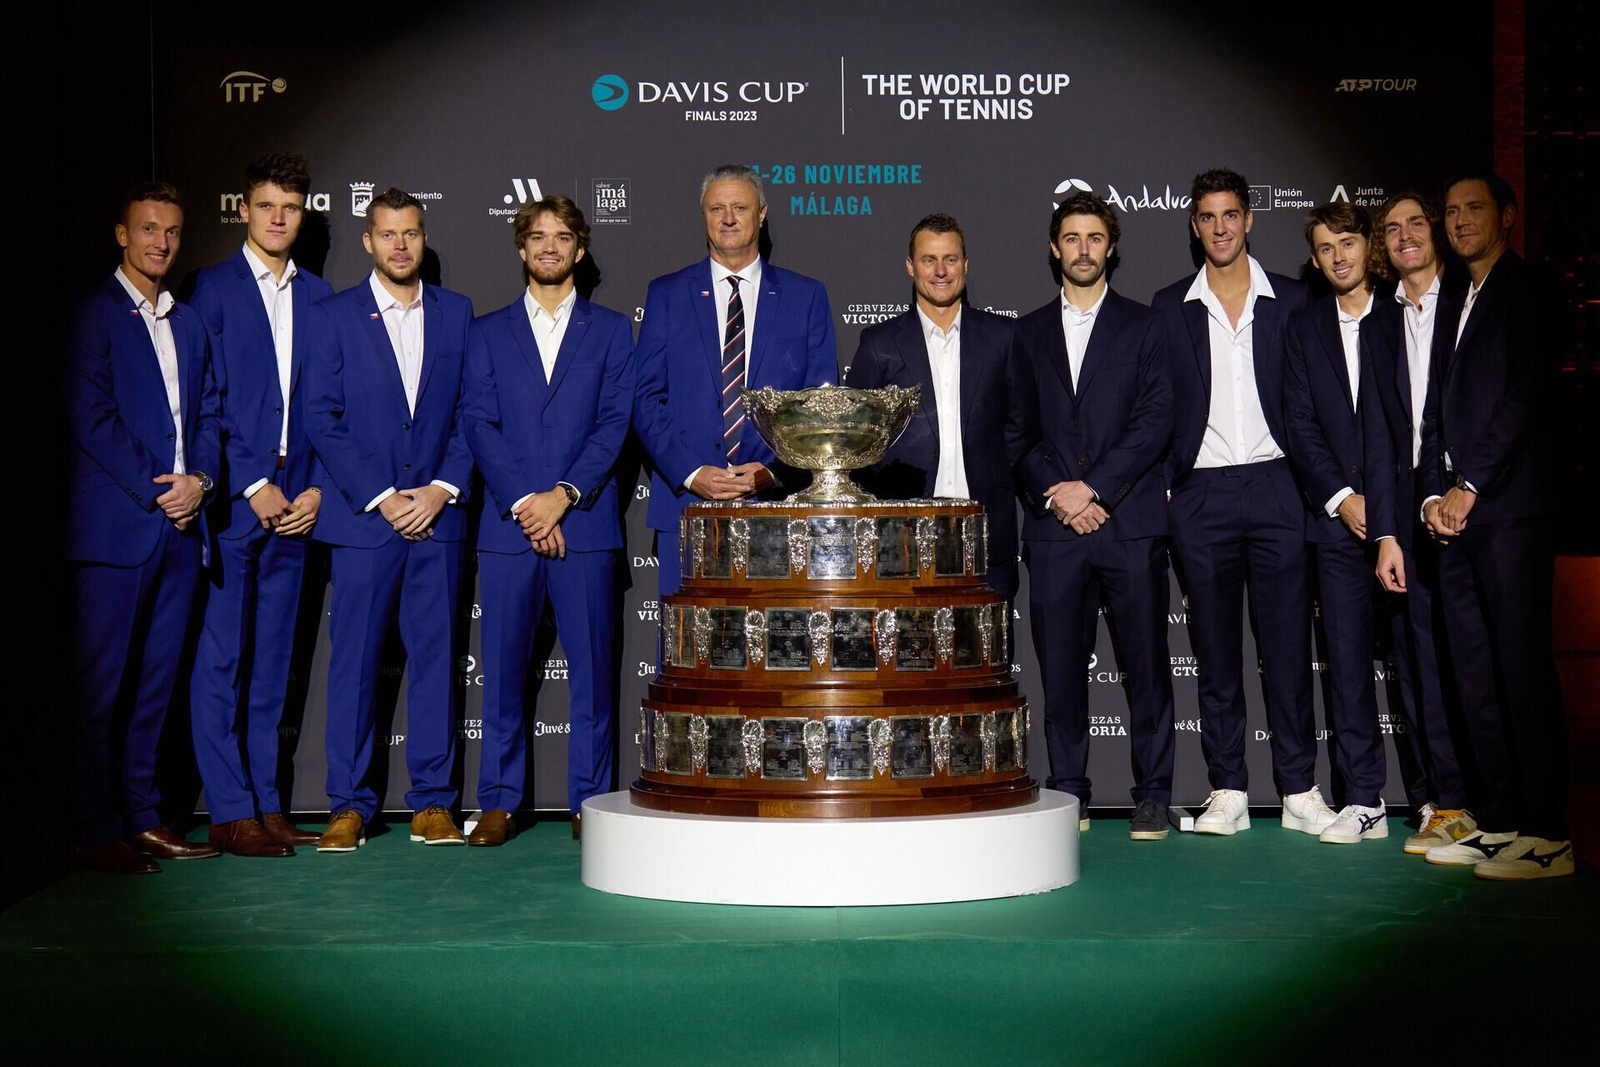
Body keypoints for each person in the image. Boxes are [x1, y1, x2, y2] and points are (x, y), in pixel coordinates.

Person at [302, 188, 475, 852]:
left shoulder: (457, 314)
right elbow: (323, 415)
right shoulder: (334, 315)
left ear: (422, 238)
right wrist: (382, 493)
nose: (401, 244)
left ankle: (432, 801)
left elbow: (470, 413)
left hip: (437, 519)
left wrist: (439, 488)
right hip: (365, 522)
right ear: (368, 241)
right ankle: (348, 804)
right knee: (354, 665)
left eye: (411, 232)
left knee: (436, 662)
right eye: (388, 233)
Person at [1151, 168, 1321, 837]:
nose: (1220, 227)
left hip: (1280, 486)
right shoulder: (1169, 306)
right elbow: (1155, 403)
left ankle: (1301, 788)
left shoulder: (1296, 301)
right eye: (1207, 217)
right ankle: (1229, 789)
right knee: (1216, 651)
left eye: (1231, 215)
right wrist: (1170, 482)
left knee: (1285, 648)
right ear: (1194, 227)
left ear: (1249, 220)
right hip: (1202, 494)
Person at [462, 196, 634, 844]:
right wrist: (525, 504)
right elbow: (478, 423)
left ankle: (588, 803)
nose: (550, 247)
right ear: (521, 248)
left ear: (580, 249)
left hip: (585, 528)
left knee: (592, 678)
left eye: (562, 237)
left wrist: (563, 494)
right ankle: (501, 800)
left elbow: (615, 422)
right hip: (510, 531)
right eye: (537, 237)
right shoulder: (485, 332)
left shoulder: (613, 330)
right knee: (503, 673)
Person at [1415, 173, 1571, 880]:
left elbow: (1524, 398)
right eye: (1449, 212)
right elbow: (1435, 411)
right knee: (1472, 675)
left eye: (1473, 208)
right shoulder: (1453, 296)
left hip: (1507, 514)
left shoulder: (1531, 288)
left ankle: (1548, 833)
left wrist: (1468, 485)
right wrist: (1430, 497)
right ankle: (1502, 819)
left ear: (1507, 215)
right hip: (1452, 520)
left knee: (1520, 672)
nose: (1459, 220)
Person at [1006, 193, 1176, 839]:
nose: (1083, 248)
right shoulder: (1026, 332)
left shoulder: (1146, 325)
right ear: (1055, 248)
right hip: (1055, 531)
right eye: (1072, 237)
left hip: (1128, 523)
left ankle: (1154, 792)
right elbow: (1016, 432)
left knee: (1147, 664)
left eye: (1095, 237)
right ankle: (1070, 789)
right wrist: (1059, 493)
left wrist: (1097, 490)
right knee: (1060, 668)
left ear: (1111, 247)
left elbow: (1156, 419)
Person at [65, 182, 222, 872]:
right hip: (118, 531)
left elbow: (210, 417)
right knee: (102, 689)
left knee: (157, 686)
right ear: (122, 235)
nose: (161, 242)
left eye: (173, 232)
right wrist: (162, 489)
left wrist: (202, 483)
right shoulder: (88, 315)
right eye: (149, 229)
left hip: (184, 532)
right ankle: (97, 826)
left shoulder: (188, 324)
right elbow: (91, 416)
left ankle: (144, 816)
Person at [188, 153, 332, 857]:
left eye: (292, 207)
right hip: (237, 504)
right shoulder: (209, 290)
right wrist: (252, 483)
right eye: (268, 205)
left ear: (303, 215)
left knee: (274, 663)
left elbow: (330, 409)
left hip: (299, 503)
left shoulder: (319, 295)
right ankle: (228, 808)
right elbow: (202, 401)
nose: (279, 218)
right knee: (223, 660)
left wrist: (314, 491)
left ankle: (267, 803)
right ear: (244, 208)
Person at [632, 164, 837, 598]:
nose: (728, 218)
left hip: (778, 508)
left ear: (761, 214)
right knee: (686, 653)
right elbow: (646, 398)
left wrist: (772, 472)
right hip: (687, 506)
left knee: (777, 652)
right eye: (717, 208)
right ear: (703, 215)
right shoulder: (666, 295)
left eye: (739, 207)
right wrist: (691, 473)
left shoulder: (806, 296)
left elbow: (821, 406)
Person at [1363, 190, 1474, 854]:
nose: (1404, 236)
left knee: (1471, 657)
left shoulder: (1467, 302)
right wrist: (1385, 532)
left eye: (1415, 224)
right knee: (1419, 659)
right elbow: (1379, 434)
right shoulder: (1381, 323)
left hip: (1463, 497)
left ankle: (1486, 798)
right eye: (1391, 228)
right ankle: (1444, 799)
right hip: (1403, 501)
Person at [1282, 202, 1389, 843]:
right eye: (1325, 247)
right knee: (1347, 664)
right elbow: (1301, 425)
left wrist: (1395, 503)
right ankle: (1366, 798)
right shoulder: (1305, 327)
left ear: (1366, 246)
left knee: (1427, 661)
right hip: (1337, 521)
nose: (1338, 256)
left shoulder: (1405, 313)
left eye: (1347, 242)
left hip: (1412, 517)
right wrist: (1344, 498)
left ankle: (1442, 799)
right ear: (1316, 258)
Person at [846, 212, 1018, 601]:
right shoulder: (879, 343)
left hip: (987, 529)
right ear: (911, 266)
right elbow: (857, 442)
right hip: (903, 535)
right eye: (928, 260)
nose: (940, 271)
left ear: (965, 265)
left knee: (988, 658)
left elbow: (1021, 427)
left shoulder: (1003, 338)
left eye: (951, 259)